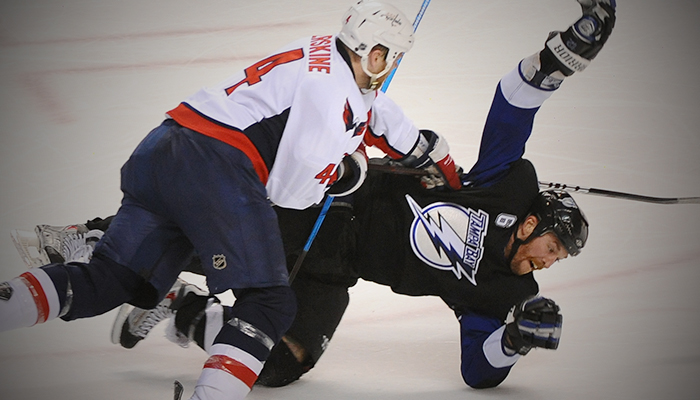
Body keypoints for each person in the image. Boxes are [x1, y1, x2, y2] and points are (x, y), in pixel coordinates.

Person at [9, 0, 616, 391]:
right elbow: (513, 106)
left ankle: (181, 307)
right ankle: (96, 236)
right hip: (331, 206)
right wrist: (564, 55)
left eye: (558, 261)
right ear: (534, 219)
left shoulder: (508, 291)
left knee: (281, 366)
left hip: (341, 271)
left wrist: (511, 341)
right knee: (236, 220)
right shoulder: (504, 184)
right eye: (554, 246)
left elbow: (477, 372)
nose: (548, 261)